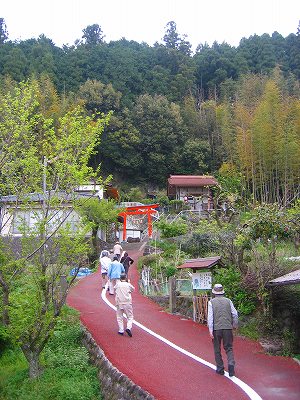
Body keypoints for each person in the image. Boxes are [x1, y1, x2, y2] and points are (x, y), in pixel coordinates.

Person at [207, 283, 238, 377]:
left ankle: (220, 368)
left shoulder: (211, 302)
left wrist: (210, 331)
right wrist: (234, 325)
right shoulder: (228, 301)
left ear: (214, 292)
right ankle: (231, 363)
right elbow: (235, 314)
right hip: (228, 328)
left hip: (216, 329)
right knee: (229, 347)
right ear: (222, 291)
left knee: (217, 348)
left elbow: (210, 318)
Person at [114, 272, 135, 337]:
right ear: (125, 278)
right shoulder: (128, 284)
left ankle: (121, 330)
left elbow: (114, 288)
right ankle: (128, 328)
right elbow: (133, 289)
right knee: (130, 317)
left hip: (119, 302)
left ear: (120, 278)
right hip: (127, 302)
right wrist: (128, 283)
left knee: (119, 317)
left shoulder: (118, 284)